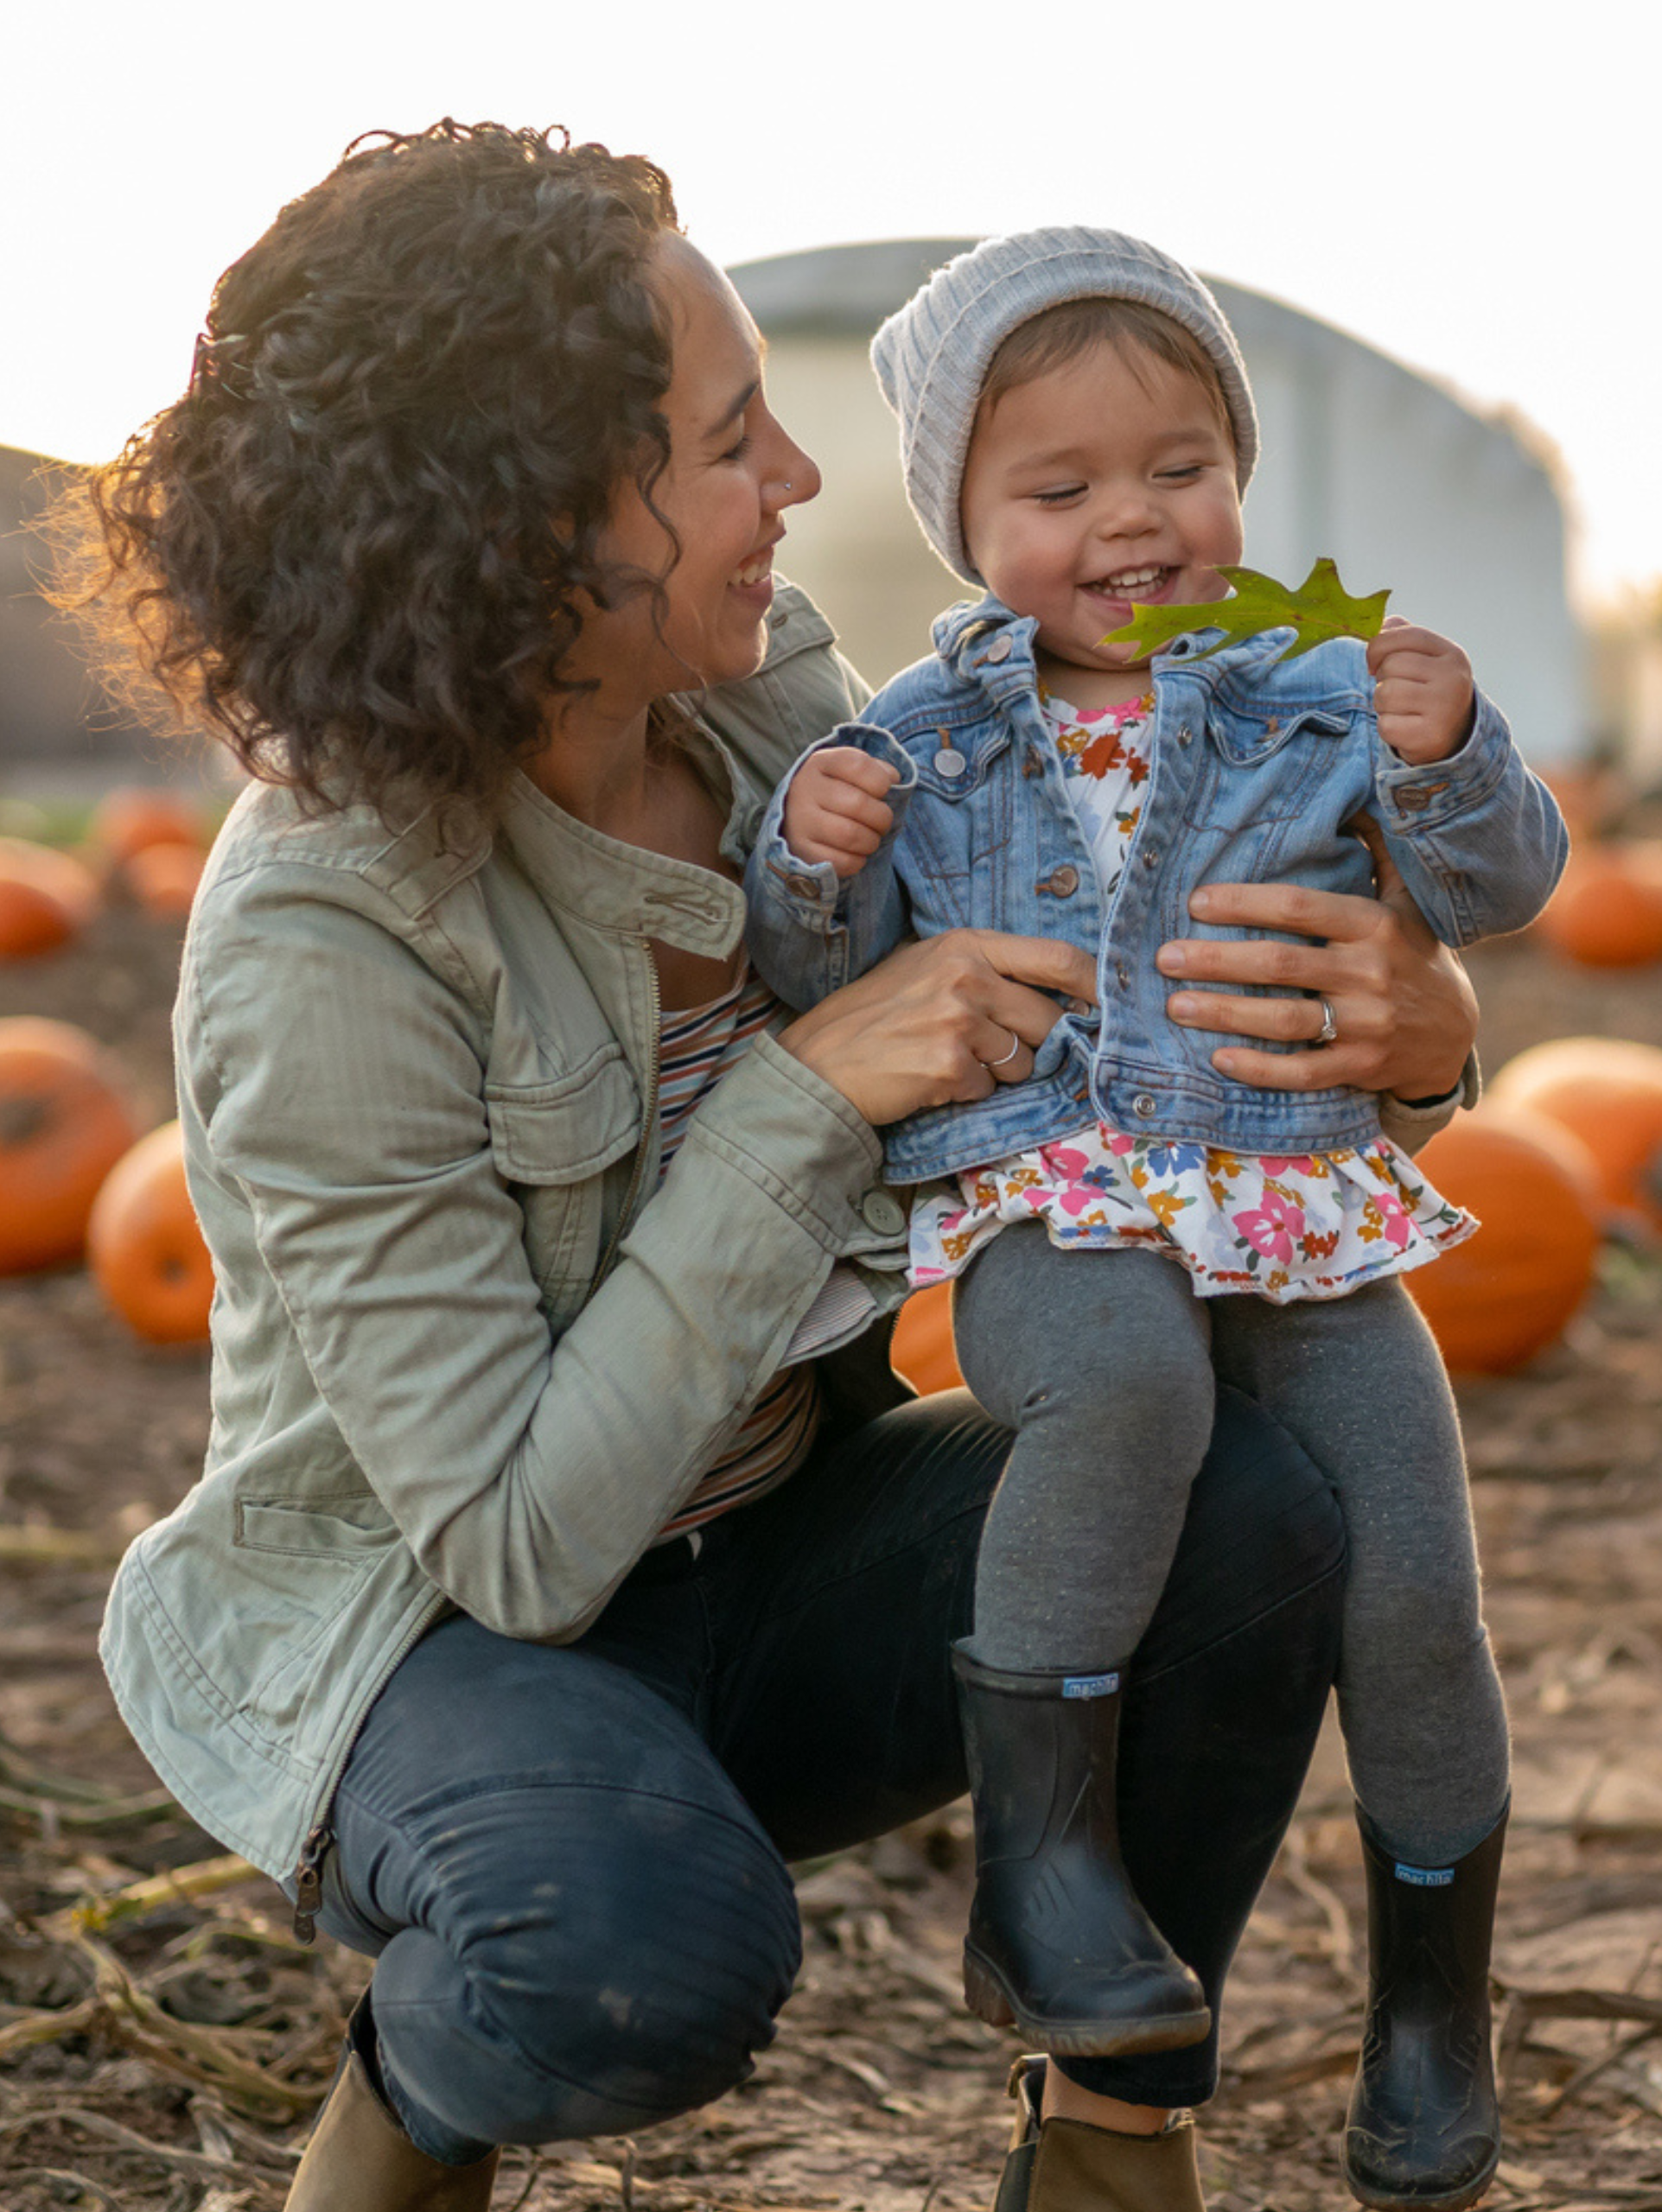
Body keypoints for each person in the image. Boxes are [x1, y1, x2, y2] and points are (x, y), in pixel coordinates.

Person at [67, 130, 1483, 2212]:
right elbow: (515, 1544)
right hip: (450, 1639)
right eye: (734, 440)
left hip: (775, 1536)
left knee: (1251, 1499)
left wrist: (1419, 1047)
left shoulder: (769, 699)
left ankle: (1110, 2153)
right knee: (629, 1956)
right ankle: (403, 2117)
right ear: (536, 526)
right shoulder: (325, 934)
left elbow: (1104, 999)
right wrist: (808, 1080)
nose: (800, 485)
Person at [744, 226, 1569, 2210]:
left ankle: (1429, 2009)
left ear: (1239, 470)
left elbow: (1497, 886)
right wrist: (807, 852)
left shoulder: (1314, 684)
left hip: (1297, 1193)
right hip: (1064, 1205)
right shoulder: (917, 739)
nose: (1132, 520)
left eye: (1178, 465)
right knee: (1114, 1394)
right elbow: (810, 972)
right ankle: (1047, 1876)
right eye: (1059, 488)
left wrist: (1454, 754)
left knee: (1413, 1588)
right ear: (964, 521)